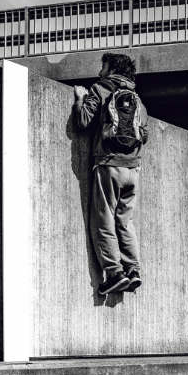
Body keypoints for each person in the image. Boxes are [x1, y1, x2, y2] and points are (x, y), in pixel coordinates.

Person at [73, 52, 149, 295]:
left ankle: (114, 273)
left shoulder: (101, 89)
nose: (99, 72)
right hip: (133, 169)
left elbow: (83, 121)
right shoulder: (137, 98)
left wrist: (80, 100)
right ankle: (134, 270)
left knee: (103, 219)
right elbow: (144, 134)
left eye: (102, 67)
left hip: (109, 165)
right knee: (125, 222)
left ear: (111, 68)